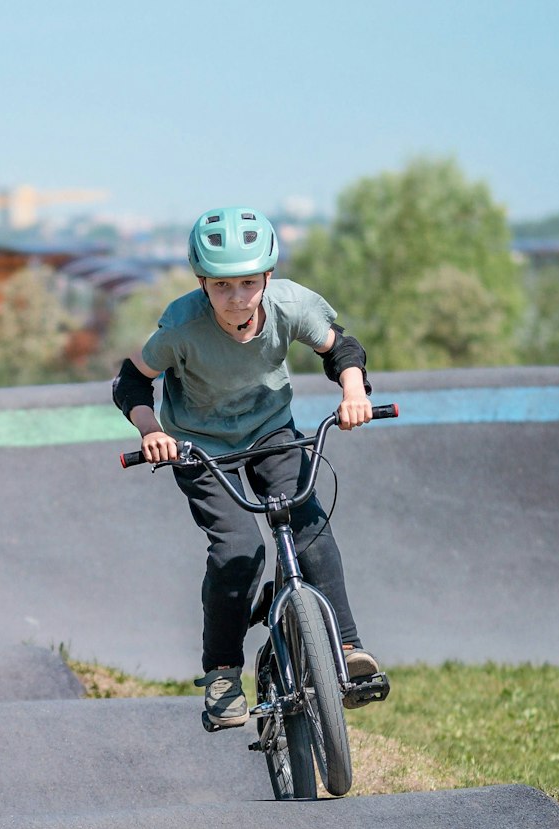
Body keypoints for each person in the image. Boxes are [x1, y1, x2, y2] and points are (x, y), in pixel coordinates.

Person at [113, 205, 378, 731]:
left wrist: (352, 390)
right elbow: (130, 381)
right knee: (238, 549)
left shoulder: (290, 305)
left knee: (310, 532)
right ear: (202, 284)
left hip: (271, 432)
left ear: (267, 277)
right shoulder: (181, 326)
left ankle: (347, 650)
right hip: (198, 446)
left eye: (248, 284)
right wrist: (153, 433)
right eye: (222, 287)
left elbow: (341, 348)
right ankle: (223, 675)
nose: (237, 299)